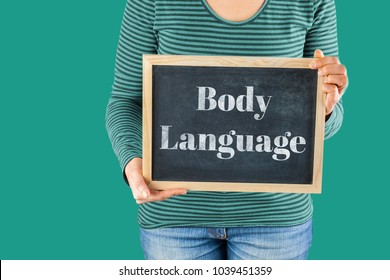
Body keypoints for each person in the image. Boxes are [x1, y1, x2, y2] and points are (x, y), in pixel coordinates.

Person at [105, 0, 348, 260]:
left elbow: (330, 119)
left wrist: (324, 110)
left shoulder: (313, 2)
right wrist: (133, 164)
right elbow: (126, 101)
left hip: (275, 219)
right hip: (174, 217)